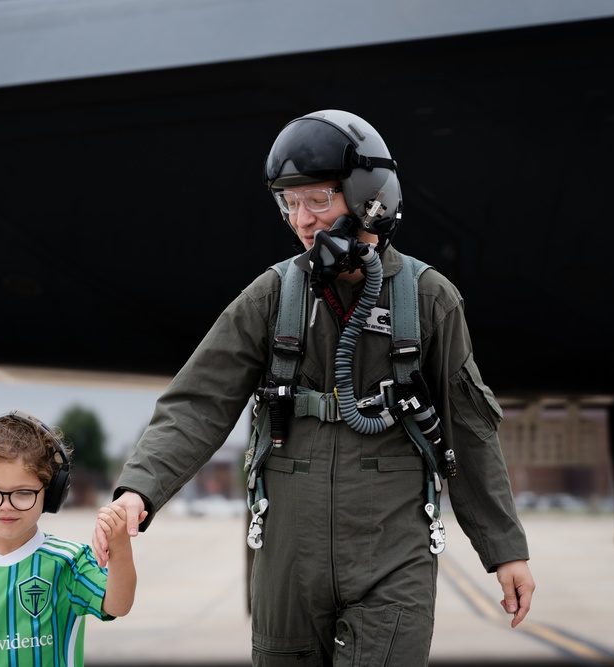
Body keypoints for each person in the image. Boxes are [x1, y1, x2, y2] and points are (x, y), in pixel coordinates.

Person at [93, 109, 534, 666]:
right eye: (289, 202)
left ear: (369, 196)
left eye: (317, 200)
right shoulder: (272, 297)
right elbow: (198, 402)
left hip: (391, 552)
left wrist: (504, 551)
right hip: (288, 557)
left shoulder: (427, 299)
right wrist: (139, 490)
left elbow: (469, 432)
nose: (301, 220)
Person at [0, 410, 141, 667]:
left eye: (22, 493)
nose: (6, 506)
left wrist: (120, 548)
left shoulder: (69, 561)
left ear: (51, 493)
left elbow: (118, 605)